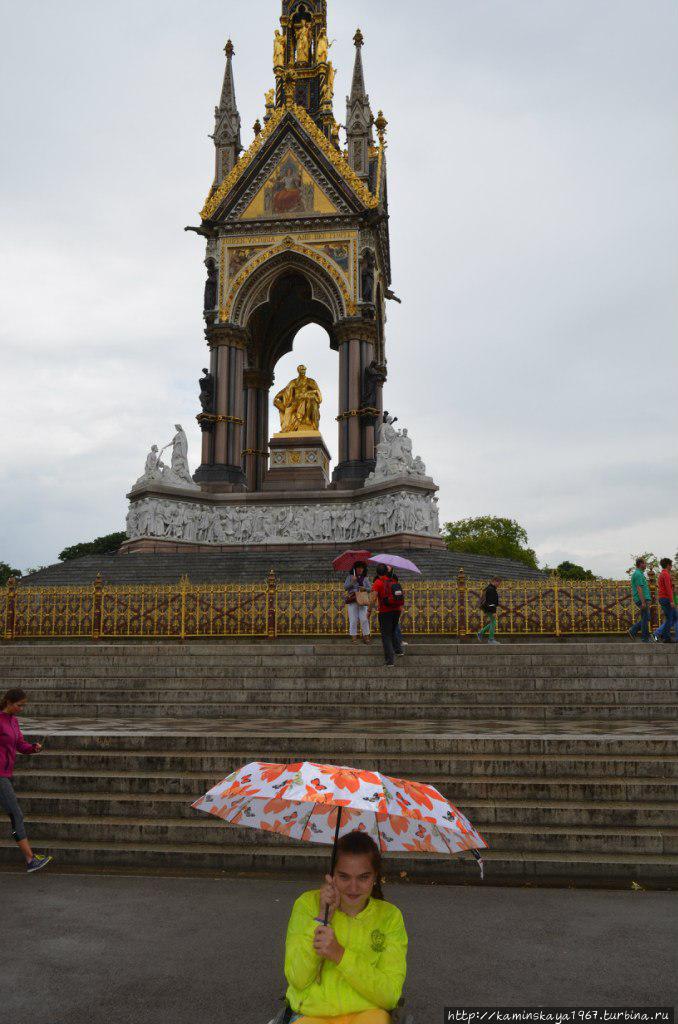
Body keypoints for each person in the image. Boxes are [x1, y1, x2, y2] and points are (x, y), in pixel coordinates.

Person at [284, 830, 408, 1023]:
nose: (353, 887)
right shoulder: (307, 905)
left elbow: (390, 995)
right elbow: (297, 979)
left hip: (369, 1013)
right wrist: (321, 918)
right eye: (344, 877)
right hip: (312, 1012)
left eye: (363, 877)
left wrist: (340, 955)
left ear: (375, 877)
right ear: (331, 875)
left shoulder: (390, 917)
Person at [0, 688, 52, 873]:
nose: (21, 709)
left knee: (15, 814)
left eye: (23, 705)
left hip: (5, 773)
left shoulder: (13, 721)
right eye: (19, 705)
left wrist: (32, 748)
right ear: (8, 702)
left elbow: (19, 744)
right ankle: (30, 859)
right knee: (16, 814)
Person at [371, 565, 405, 668]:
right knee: (393, 630)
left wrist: (369, 611)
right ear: (386, 572)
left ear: (377, 573)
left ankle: (390, 661)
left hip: (385, 611)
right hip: (396, 610)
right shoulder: (393, 581)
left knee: (386, 635)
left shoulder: (378, 582)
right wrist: (401, 608)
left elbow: (373, 598)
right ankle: (398, 650)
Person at [344, 562, 372, 644]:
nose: (360, 569)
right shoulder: (350, 577)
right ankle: (354, 637)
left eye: (361, 568)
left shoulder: (365, 578)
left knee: (364, 619)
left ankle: (366, 636)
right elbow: (345, 587)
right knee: (353, 619)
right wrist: (352, 582)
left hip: (362, 600)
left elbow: (370, 588)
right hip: (353, 600)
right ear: (355, 569)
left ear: (364, 569)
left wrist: (365, 588)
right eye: (358, 568)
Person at [629, 557, 652, 643]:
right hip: (642, 600)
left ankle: (633, 630)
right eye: (645, 563)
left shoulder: (640, 574)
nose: (646, 565)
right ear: (641, 564)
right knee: (645, 618)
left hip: (644, 599)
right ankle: (645, 638)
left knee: (646, 617)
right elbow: (639, 588)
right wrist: (643, 602)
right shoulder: (638, 574)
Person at [654, 558, 676, 643]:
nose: (671, 567)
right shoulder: (666, 574)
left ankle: (662, 634)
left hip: (663, 598)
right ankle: (665, 637)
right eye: (671, 565)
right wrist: (671, 600)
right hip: (666, 598)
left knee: (673, 617)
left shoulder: (662, 574)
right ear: (668, 565)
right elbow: (668, 588)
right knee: (670, 618)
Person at [477, 577, 501, 645]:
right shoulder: (491, 589)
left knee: (493, 622)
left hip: (487, 608)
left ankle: (481, 633)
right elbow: (491, 602)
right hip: (489, 608)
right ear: (494, 581)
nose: (499, 585)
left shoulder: (489, 588)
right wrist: (493, 612)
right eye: (498, 583)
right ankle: (491, 639)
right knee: (493, 622)